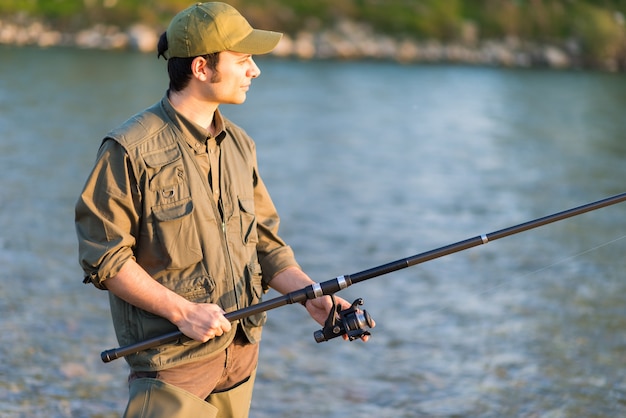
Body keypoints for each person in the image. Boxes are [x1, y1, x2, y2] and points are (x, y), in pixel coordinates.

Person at [75, 2, 370, 417]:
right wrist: (183, 312)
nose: (255, 71)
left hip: (241, 361)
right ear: (201, 68)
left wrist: (312, 297)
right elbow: (105, 257)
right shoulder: (128, 149)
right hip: (173, 371)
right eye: (244, 60)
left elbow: (265, 243)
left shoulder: (240, 146)